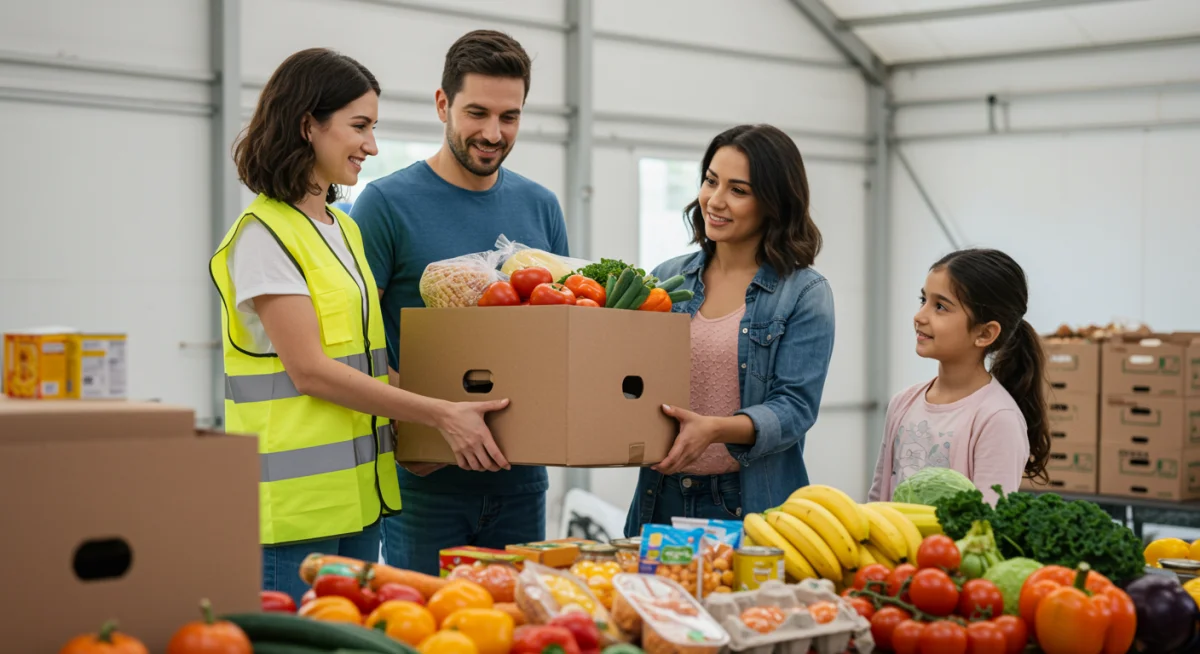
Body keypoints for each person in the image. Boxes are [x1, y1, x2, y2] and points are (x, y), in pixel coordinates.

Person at [210, 48, 510, 603]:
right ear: (307, 125)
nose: (372, 145)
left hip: (360, 504)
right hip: (293, 519)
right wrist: (442, 414)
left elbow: (365, 363)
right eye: (360, 127)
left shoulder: (341, 231)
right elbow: (312, 374)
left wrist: (439, 425)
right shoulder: (264, 235)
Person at [352, 30, 569, 575]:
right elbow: (358, 340)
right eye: (477, 113)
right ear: (443, 104)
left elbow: (563, 337)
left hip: (521, 476)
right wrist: (419, 430)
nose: (493, 133)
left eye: (510, 117)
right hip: (426, 482)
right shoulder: (384, 204)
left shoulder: (541, 207)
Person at [625, 124, 836, 537]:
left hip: (746, 501)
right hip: (659, 494)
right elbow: (631, 379)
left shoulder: (805, 293)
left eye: (739, 190)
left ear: (774, 203)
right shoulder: (666, 279)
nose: (715, 201)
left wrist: (715, 429)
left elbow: (795, 408)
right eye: (710, 181)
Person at [867, 248, 1051, 506]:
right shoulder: (902, 403)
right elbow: (877, 498)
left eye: (940, 306)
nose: (919, 316)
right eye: (923, 300)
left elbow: (988, 523)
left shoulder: (998, 419)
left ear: (985, 334)